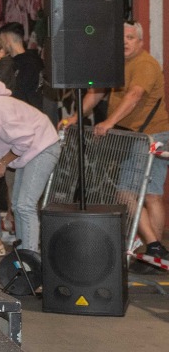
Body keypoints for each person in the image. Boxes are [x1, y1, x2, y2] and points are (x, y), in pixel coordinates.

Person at [66, 21, 169, 260]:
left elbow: (135, 94)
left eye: (131, 37)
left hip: (153, 135)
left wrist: (109, 122)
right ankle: (155, 250)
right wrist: (74, 117)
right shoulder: (116, 64)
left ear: (141, 42)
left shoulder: (144, 64)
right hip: (140, 136)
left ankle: (153, 245)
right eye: (121, 37)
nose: (124, 41)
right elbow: (98, 90)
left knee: (126, 192)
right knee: (151, 195)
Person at [0, 80, 62, 254]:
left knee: (25, 205)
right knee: (18, 205)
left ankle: (30, 259)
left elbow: (24, 140)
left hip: (41, 148)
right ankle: (24, 257)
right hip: (33, 150)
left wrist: (3, 162)